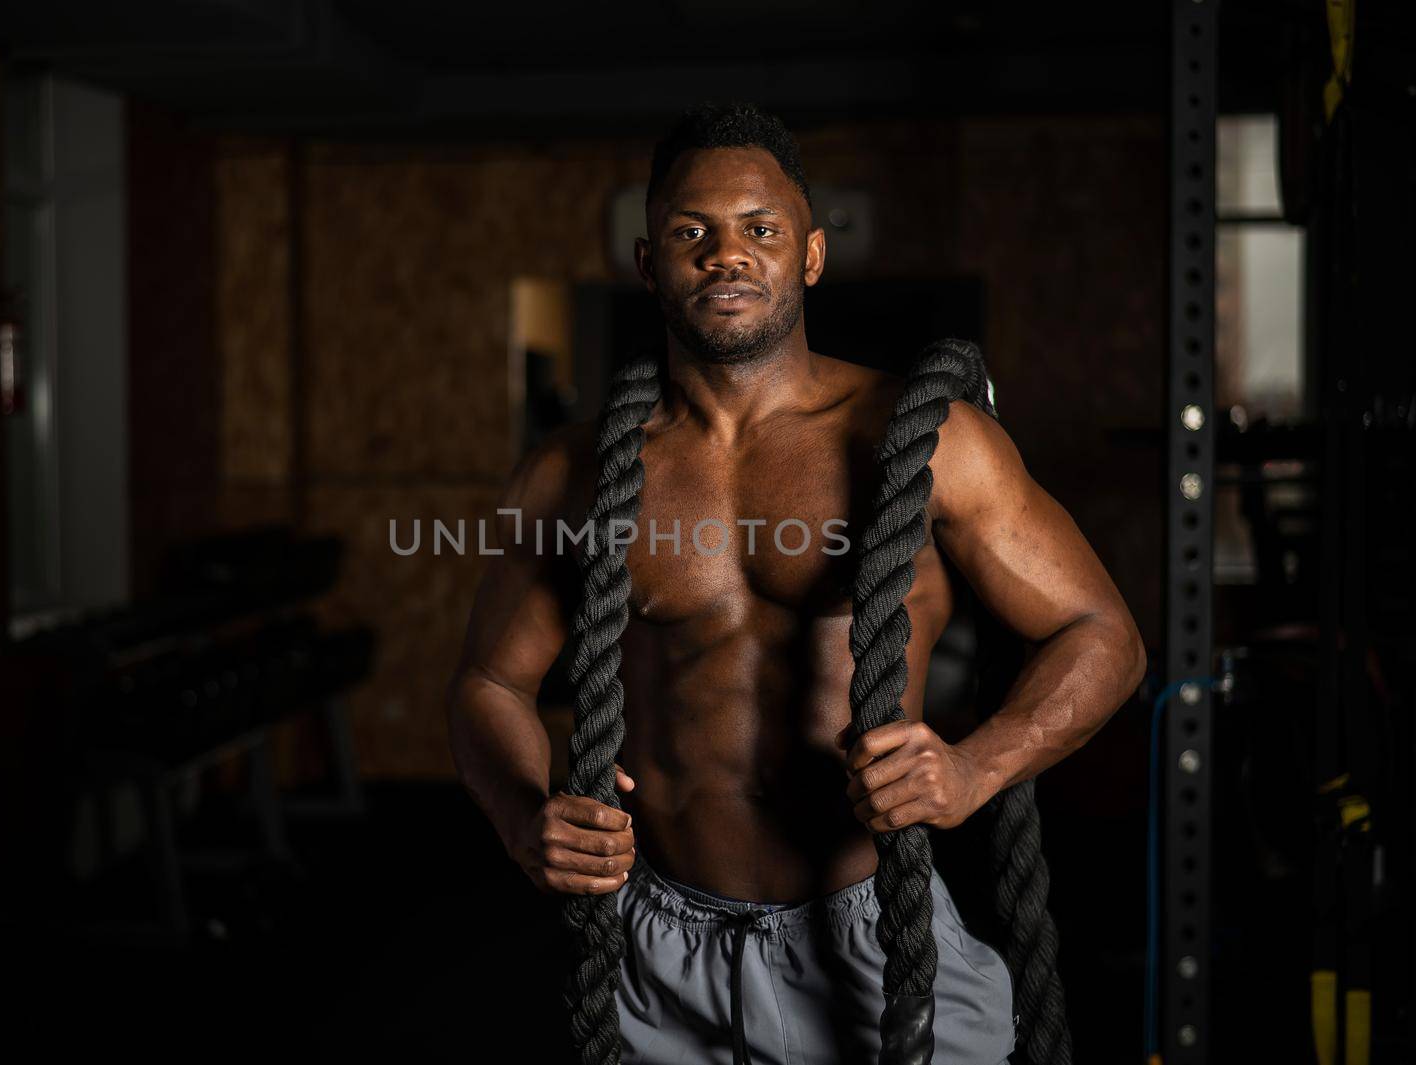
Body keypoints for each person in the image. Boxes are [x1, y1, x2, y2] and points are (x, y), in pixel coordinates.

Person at [446, 102, 1147, 1065]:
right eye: (691, 232)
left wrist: (977, 768)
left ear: (810, 256)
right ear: (651, 264)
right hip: (658, 948)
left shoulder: (927, 440)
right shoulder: (574, 473)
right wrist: (527, 818)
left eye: (759, 229)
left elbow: (1101, 632)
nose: (725, 255)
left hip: (873, 937)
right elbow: (488, 685)